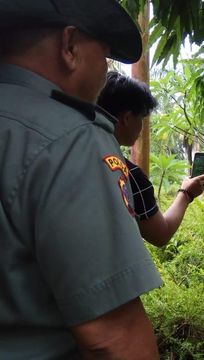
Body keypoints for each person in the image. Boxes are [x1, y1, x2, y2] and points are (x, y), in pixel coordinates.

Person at [0, 1, 169, 358]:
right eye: (105, 57)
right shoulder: (72, 139)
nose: (105, 72)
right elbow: (113, 337)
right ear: (70, 46)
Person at [97, 71, 204, 247]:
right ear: (127, 118)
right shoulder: (129, 175)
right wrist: (186, 193)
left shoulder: (78, 153)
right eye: (141, 118)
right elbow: (160, 234)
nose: (142, 127)